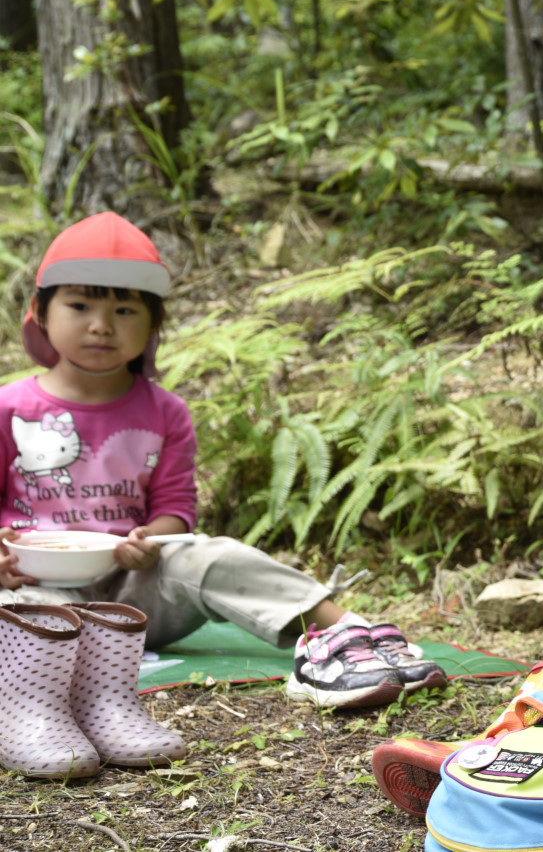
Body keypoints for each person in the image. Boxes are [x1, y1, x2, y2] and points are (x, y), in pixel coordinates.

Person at [0, 213, 446, 717]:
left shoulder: (165, 412)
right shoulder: (9, 408)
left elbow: (174, 510)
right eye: (79, 305)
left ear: (153, 324)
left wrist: (149, 543)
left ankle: (341, 636)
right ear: (40, 310)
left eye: (125, 310)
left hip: (132, 595)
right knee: (16, 619)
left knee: (209, 554)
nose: (101, 325)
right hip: (31, 591)